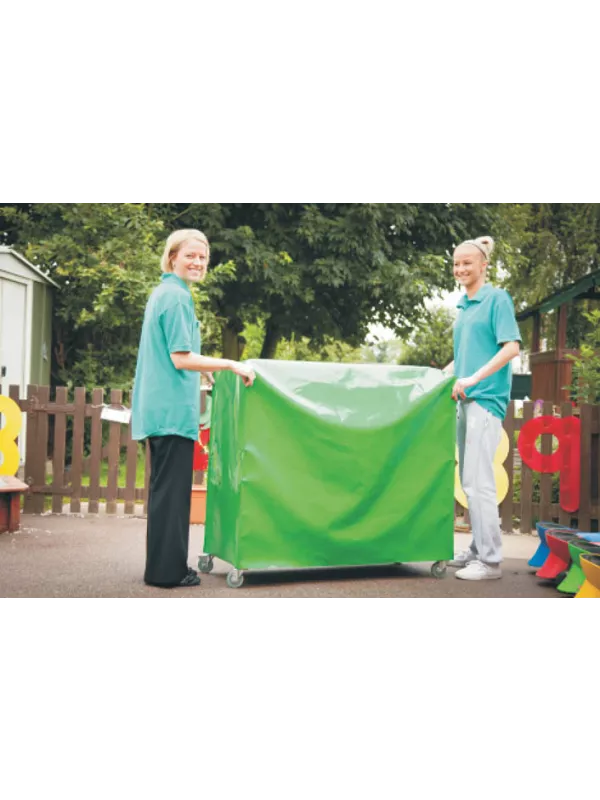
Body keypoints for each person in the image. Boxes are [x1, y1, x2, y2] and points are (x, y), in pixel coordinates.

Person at [131, 229, 255, 588]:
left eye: (203, 257)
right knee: (171, 498)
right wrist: (229, 364)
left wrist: (206, 373)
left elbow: (174, 358)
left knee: (163, 496)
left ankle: (160, 568)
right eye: (191, 256)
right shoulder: (176, 298)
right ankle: (168, 573)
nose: (198, 262)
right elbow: (181, 358)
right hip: (170, 413)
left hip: (160, 410)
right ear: (173, 257)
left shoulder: (166, 293)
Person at [443, 236, 521, 581]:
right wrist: (443, 375)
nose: (460, 269)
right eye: (457, 264)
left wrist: (473, 378)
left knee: (479, 482)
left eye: (467, 263)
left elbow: (511, 348)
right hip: (465, 399)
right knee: (467, 479)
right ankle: (476, 551)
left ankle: (490, 562)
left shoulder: (496, 299)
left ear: (484, 265)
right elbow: (464, 356)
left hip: (486, 399)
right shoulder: (464, 305)